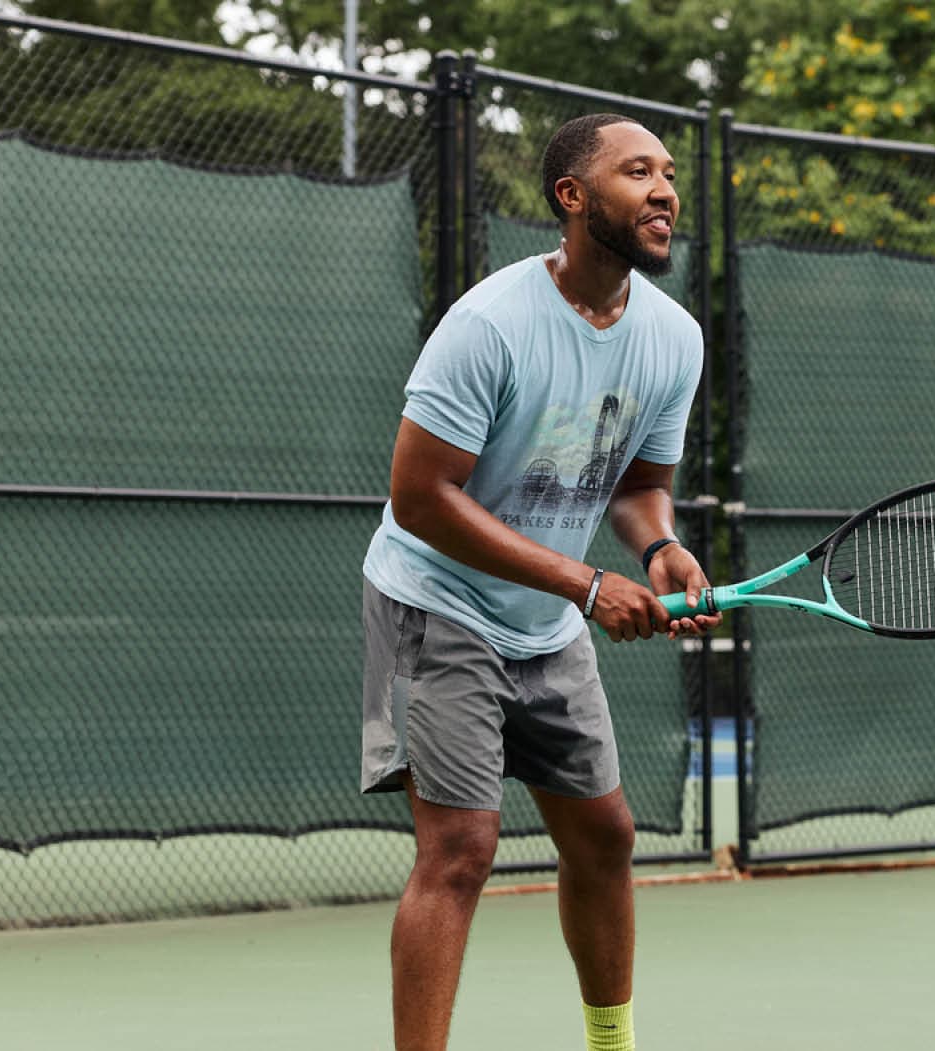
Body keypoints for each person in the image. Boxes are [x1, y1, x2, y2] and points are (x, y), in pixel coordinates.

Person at [358, 112, 717, 1051]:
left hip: (548, 620)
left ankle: (611, 1044)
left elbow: (638, 487)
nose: (665, 190)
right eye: (637, 172)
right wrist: (587, 585)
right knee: (460, 849)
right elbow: (421, 497)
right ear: (573, 196)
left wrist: (659, 549)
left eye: (668, 172)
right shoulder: (490, 325)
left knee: (605, 837)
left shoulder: (674, 339)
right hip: (432, 603)